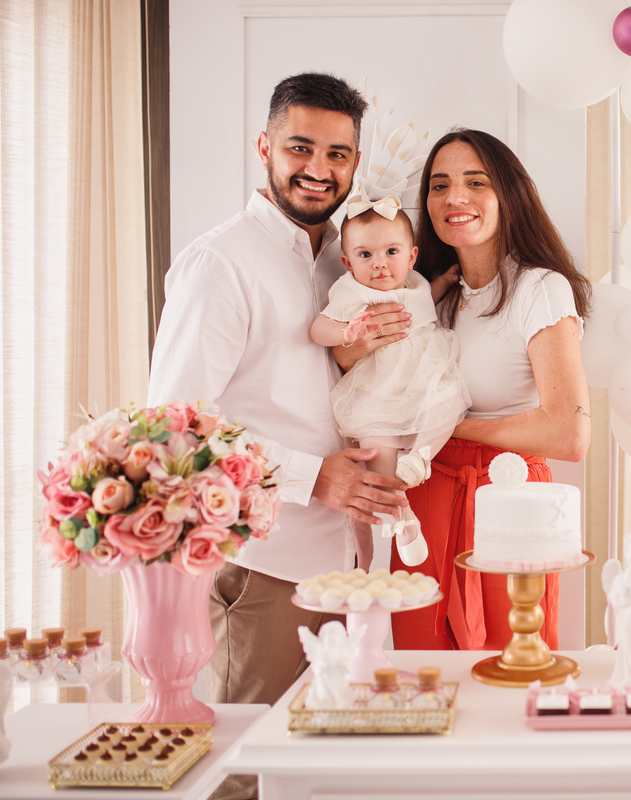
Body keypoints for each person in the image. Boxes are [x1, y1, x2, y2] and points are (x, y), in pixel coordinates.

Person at [147, 72, 411, 800]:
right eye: (300, 148)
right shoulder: (220, 262)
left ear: (355, 164)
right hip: (263, 568)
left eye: (337, 154)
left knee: (324, 775)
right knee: (241, 776)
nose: (318, 169)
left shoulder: (345, 257)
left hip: (349, 562)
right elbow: (172, 428)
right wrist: (310, 474)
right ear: (263, 147)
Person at [338, 128, 591, 651]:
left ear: (509, 194)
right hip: (427, 493)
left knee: (510, 662)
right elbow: (355, 362)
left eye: (476, 182)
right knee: (424, 667)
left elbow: (569, 434)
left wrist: (447, 428)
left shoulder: (540, 289)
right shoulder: (426, 294)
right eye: (439, 185)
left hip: (507, 497)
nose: (455, 197)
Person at [310, 206, 470, 566]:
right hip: (378, 384)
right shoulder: (352, 291)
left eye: (391, 252)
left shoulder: (416, 282)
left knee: (448, 403)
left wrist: (446, 281)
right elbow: (318, 328)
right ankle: (401, 515)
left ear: (411, 257)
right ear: (348, 263)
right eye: (365, 255)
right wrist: (346, 332)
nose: (380, 264)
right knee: (375, 444)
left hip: (424, 372)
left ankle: (420, 456)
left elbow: (426, 301)